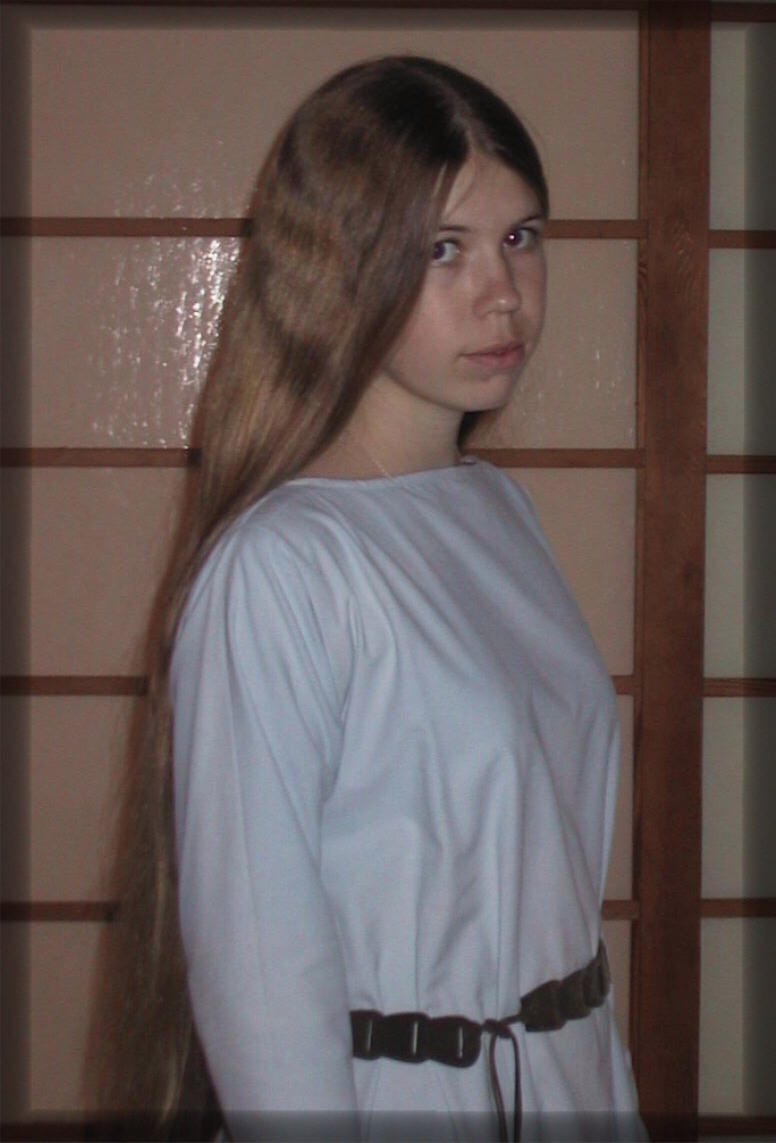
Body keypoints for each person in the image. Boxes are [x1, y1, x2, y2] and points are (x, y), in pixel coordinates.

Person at [94, 56, 644, 1143]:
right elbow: (261, 975)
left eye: (519, 237)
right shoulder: (281, 566)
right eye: (443, 250)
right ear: (341, 267)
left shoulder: (498, 509)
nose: (502, 291)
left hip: (571, 1082)